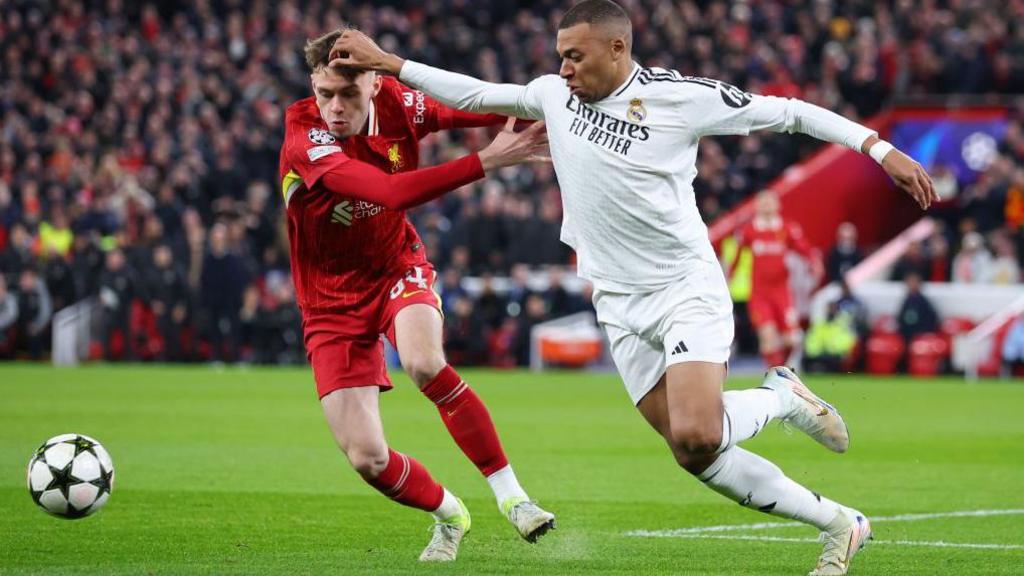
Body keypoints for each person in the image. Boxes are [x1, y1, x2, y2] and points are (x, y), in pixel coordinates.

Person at [331, 1, 938, 572]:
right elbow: (477, 91)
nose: (563, 67)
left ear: (617, 48)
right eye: (560, 55)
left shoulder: (681, 99)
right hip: (618, 303)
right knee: (692, 453)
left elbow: (790, 112)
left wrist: (880, 149)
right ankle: (839, 522)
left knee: (701, 428)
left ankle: (781, 397)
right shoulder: (553, 95)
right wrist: (390, 63)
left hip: (684, 288)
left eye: (576, 55)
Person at [279, 29, 554, 562]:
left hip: (394, 267)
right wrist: (488, 162)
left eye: (348, 95)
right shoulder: (304, 135)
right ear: (313, 85)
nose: (335, 107)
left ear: (375, 82)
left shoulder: (399, 101)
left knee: (425, 361)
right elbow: (388, 191)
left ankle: (513, 498)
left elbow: (479, 108)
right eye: (325, 93)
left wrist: (558, 109)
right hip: (328, 303)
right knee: (366, 458)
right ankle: (450, 514)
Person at [729, 190, 823, 368]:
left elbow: (804, 248)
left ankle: (781, 370)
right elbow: (738, 256)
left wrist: (814, 263)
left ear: (777, 205)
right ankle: (775, 377)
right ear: (757, 206)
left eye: (769, 202)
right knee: (768, 337)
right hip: (759, 294)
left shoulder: (786, 228)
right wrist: (731, 274)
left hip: (782, 293)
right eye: (762, 202)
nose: (766, 206)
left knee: (792, 340)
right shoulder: (749, 230)